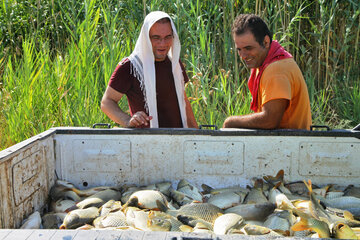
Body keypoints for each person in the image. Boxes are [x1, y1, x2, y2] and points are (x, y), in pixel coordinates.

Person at [101, 11, 198, 128]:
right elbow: (107, 102)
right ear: (146, 38)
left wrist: (196, 135)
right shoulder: (130, 67)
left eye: (167, 37)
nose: (162, 44)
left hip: (178, 140)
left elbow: (183, 101)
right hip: (145, 141)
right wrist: (128, 120)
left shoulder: (175, 63)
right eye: (156, 38)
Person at [223, 14, 312, 130]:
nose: (243, 56)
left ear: (265, 42)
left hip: (292, 144)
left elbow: (270, 121)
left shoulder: (276, 69)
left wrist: (230, 122)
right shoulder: (264, 64)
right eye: (239, 49)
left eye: (249, 48)